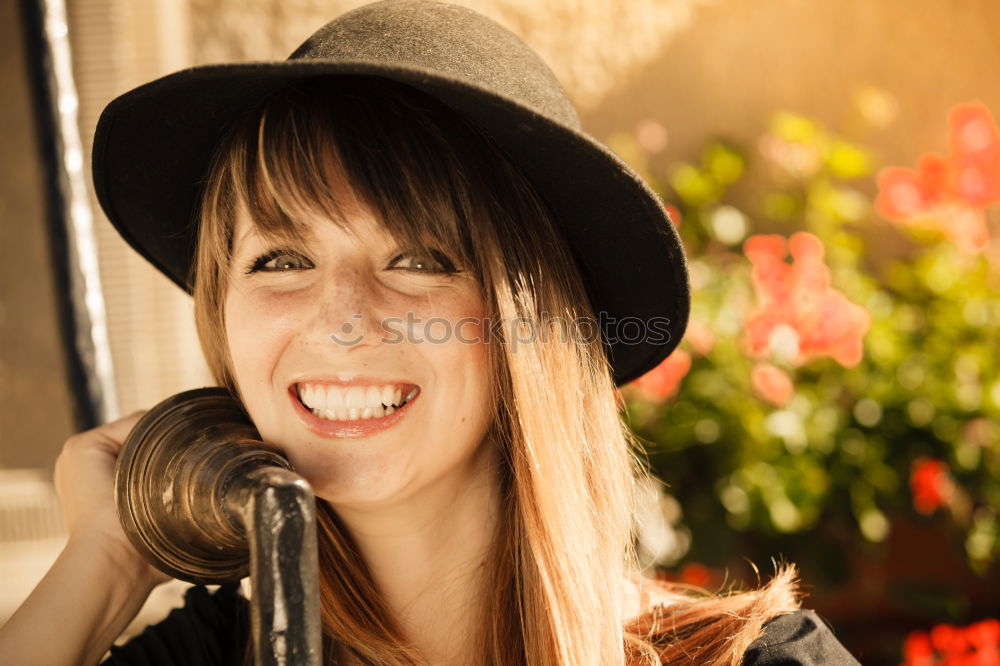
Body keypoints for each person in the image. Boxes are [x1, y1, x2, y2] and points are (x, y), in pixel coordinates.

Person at [0, 1, 862, 664]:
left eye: (420, 257)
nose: (340, 316)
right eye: (279, 259)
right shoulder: (217, 654)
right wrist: (108, 562)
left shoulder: (760, 662)